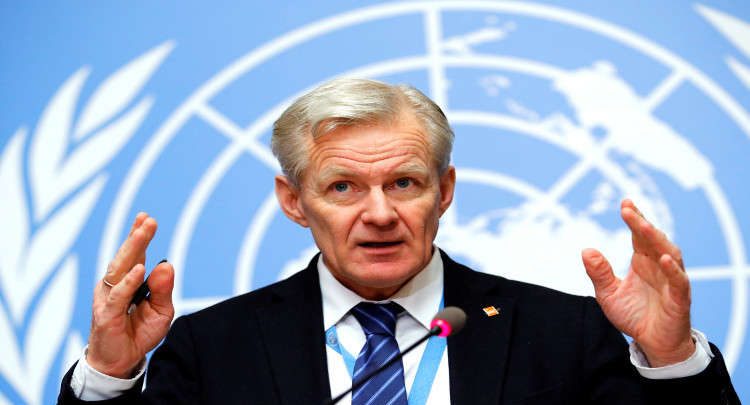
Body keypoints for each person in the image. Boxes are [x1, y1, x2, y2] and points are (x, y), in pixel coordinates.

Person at [58, 78, 739, 404]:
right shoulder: (211, 349)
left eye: (405, 183)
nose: (380, 214)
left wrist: (672, 358)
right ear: (293, 202)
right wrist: (109, 375)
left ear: (444, 191)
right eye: (344, 187)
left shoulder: (565, 333)